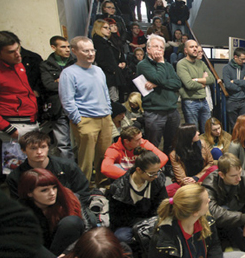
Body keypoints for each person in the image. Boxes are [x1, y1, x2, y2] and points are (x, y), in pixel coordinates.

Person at [59, 36, 112, 186]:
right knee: (86, 159)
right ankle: (83, 187)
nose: (90, 54)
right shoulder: (69, 73)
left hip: (105, 118)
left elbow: (105, 92)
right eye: (85, 51)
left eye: (92, 50)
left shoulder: (98, 70)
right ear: (74, 51)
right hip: (86, 119)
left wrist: (108, 109)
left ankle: (103, 183)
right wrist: (78, 120)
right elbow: (67, 100)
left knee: (104, 156)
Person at [203, 153, 245, 250]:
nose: (239, 178)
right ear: (221, 175)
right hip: (225, 222)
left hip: (242, 210)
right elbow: (213, 212)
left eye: (240, 173)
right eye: (233, 176)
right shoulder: (210, 184)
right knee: (225, 211)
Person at [19, 168, 85, 258]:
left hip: (67, 252)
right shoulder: (21, 212)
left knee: (72, 222)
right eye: (44, 190)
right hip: (36, 256)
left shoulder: (67, 197)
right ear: (29, 193)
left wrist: (66, 254)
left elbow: (87, 229)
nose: (52, 193)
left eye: (54, 187)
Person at [8, 131, 90, 204]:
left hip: (68, 209)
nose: (39, 152)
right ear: (23, 150)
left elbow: (83, 192)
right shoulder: (16, 177)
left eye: (43, 147)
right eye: (33, 148)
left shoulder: (68, 166)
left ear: (48, 148)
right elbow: (18, 204)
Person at [137, 34, 182, 161]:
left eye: (161, 48)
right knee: (152, 145)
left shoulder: (168, 66)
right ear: (148, 49)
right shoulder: (143, 65)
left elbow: (177, 83)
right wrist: (161, 63)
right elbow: (160, 78)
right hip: (154, 112)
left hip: (172, 111)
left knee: (171, 143)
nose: (159, 50)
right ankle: (153, 170)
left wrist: (157, 84)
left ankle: (168, 166)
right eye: (155, 46)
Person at [107, 150, 168, 243]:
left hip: (152, 220)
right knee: (121, 237)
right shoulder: (118, 188)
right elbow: (117, 219)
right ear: (139, 170)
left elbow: (162, 204)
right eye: (152, 173)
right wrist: (141, 224)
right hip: (128, 224)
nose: (156, 176)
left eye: (158, 171)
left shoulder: (158, 180)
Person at [0, 31, 38, 144]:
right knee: (19, 161)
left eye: (18, 48)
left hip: (31, 120)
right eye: (11, 52)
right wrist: (10, 130)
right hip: (13, 125)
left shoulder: (16, 63)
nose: (18, 54)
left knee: (36, 160)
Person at [39, 36, 76, 159]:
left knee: (82, 140)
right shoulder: (46, 65)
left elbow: (81, 84)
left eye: (68, 47)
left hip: (77, 105)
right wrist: (69, 83)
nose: (67, 50)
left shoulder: (75, 62)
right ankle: (68, 170)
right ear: (53, 47)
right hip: (58, 107)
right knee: (63, 143)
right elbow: (49, 85)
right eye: (63, 47)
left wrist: (61, 81)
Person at [102, 126, 168, 180]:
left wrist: (148, 171)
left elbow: (163, 157)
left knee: (158, 168)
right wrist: (131, 176)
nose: (141, 142)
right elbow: (105, 168)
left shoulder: (143, 143)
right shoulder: (114, 149)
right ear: (126, 141)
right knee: (116, 166)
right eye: (137, 140)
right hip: (126, 176)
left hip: (143, 172)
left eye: (141, 138)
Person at [176, 39, 214, 131]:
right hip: (190, 101)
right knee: (193, 132)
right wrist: (203, 84)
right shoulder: (181, 64)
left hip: (203, 101)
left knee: (208, 130)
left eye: (196, 47)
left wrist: (197, 80)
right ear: (185, 50)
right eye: (191, 47)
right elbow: (189, 84)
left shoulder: (201, 63)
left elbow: (212, 79)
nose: (195, 49)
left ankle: (206, 146)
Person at [223, 47, 245, 131]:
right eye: (242, 59)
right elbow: (228, 85)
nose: (243, 61)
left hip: (243, 101)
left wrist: (235, 81)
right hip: (232, 100)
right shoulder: (226, 68)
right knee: (234, 127)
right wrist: (243, 83)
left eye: (244, 59)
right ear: (235, 57)